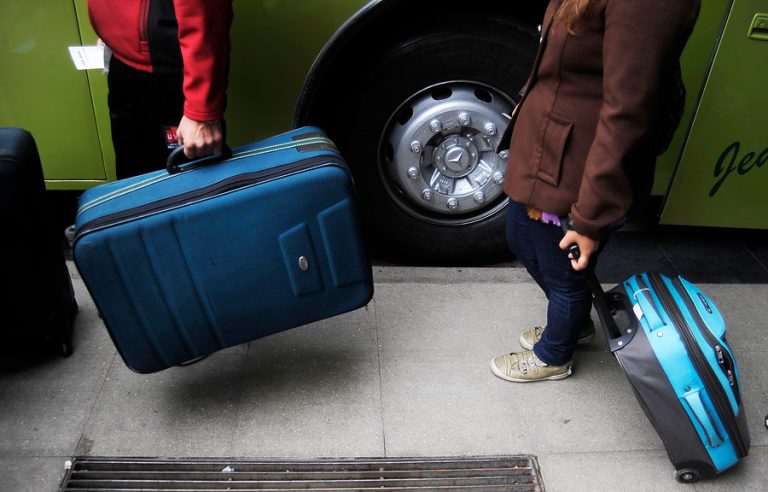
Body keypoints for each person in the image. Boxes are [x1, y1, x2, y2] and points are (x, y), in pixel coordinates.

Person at [490, 0, 700, 382]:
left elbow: (627, 111)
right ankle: (574, 324)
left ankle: (555, 354)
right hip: (547, 147)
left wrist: (589, 218)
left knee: (564, 272)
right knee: (521, 238)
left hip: (580, 163)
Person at [88, 0, 233, 179]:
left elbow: (204, 13)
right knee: (134, 177)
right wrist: (112, 27)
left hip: (170, 68)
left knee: (187, 185)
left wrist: (201, 112)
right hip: (124, 60)